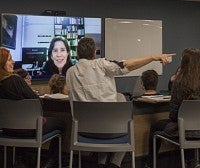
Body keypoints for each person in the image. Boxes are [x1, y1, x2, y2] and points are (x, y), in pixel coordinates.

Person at [66, 37, 175, 168]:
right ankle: (114, 164)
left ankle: (101, 163)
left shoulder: (69, 72)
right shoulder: (101, 64)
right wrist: (152, 57)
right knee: (127, 123)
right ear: (94, 52)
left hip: (82, 133)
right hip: (111, 131)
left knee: (116, 102)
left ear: (78, 54)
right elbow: (128, 65)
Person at [0, 47, 66, 168]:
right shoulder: (15, 80)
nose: (13, 62)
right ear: (1, 63)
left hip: (6, 131)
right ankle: (51, 162)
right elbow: (37, 103)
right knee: (61, 122)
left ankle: (21, 159)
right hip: (29, 130)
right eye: (10, 59)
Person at [146, 48, 200, 168]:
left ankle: (149, 164)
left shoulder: (180, 82)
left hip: (184, 130)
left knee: (156, 126)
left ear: (184, 62)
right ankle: (192, 162)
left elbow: (174, 115)